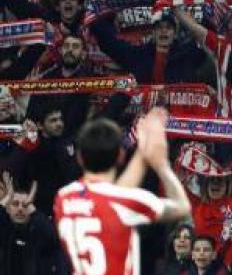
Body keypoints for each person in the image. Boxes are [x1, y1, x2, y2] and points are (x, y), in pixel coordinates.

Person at [53, 110, 192, 275]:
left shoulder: (64, 197)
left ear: (79, 158)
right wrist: (161, 164)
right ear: (120, 156)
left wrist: (142, 153)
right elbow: (182, 207)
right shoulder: (126, 201)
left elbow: (111, 196)